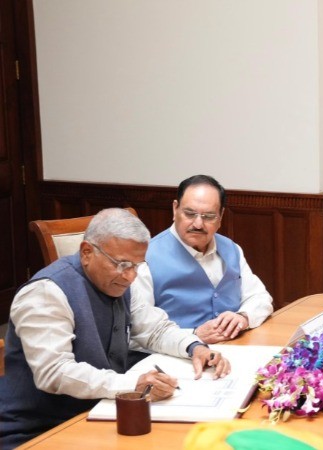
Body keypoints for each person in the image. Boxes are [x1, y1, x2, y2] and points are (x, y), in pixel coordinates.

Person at [0, 209, 231, 449]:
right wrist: (132, 385)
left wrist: (195, 347)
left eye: (137, 265)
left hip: (100, 413)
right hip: (38, 432)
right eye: (121, 265)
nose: (130, 276)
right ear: (87, 252)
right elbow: (54, 372)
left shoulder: (120, 282)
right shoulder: (46, 293)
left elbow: (155, 330)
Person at [132, 175, 273, 344]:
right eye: (189, 214)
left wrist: (243, 317)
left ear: (221, 216)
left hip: (236, 346)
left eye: (208, 216)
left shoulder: (232, 249)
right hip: (176, 354)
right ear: (175, 209)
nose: (198, 224)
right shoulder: (145, 259)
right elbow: (139, 330)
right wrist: (193, 335)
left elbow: (260, 297)